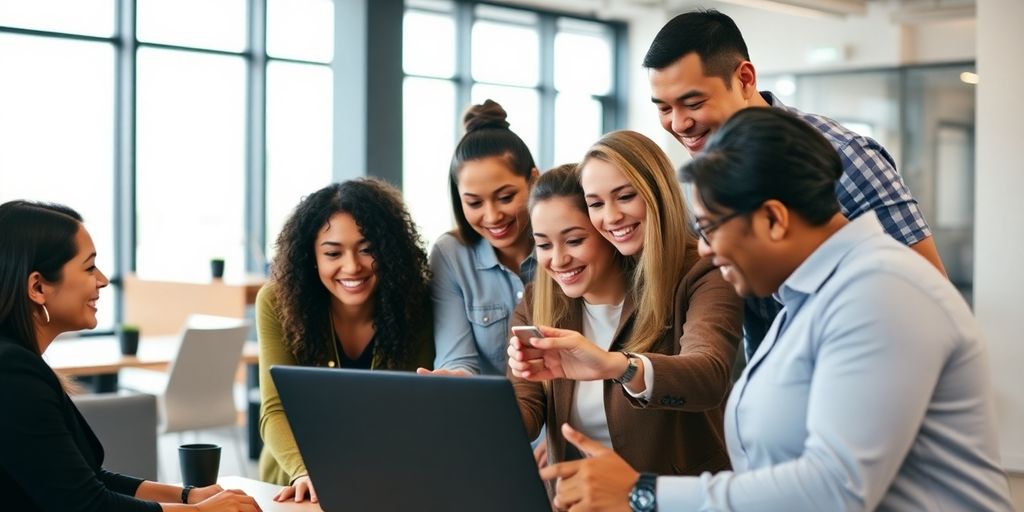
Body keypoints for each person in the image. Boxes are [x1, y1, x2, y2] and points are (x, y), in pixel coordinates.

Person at [537, 109, 1013, 512]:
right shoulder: (806, 301)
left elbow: (836, 488)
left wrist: (644, 494)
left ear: (773, 218)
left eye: (712, 227)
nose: (706, 250)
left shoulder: (881, 292)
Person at [644, 9, 946, 358]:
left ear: (744, 79)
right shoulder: (706, 183)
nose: (679, 124)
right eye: (664, 109)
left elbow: (930, 298)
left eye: (693, 103)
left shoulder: (846, 159)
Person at [0, 200, 261, 512]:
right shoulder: (12, 374)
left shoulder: (16, 364)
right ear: (38, 286)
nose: (103, 280)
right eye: (88, 267)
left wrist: (187, 496)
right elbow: (87, 505)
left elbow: (83, 480)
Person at [509, 131, 742, 477]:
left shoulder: (699, 272)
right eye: (543, 244)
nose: (558, 259)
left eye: (574, 240)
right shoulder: (537, 301)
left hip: (672, 497)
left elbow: (707, 376)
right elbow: (525, 412)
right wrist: (471, 403)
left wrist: (616, 365)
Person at [256, 179, 433, 503]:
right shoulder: (276, 302)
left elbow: (414, 410)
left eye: (367, 249)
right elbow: (274, 408)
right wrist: (303, 470)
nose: (352, 266)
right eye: (333, 253)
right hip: (296, 486)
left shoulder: (417, 303)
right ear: (311, 256)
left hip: (388, 483)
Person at [425, 99, 538, 376]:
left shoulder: (566, 245)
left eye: (505, 197)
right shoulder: (450, 254)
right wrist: (453, 378)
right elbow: (457, 359)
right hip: (488, 413)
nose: (492, 216)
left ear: (534, 181)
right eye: (474, 203)